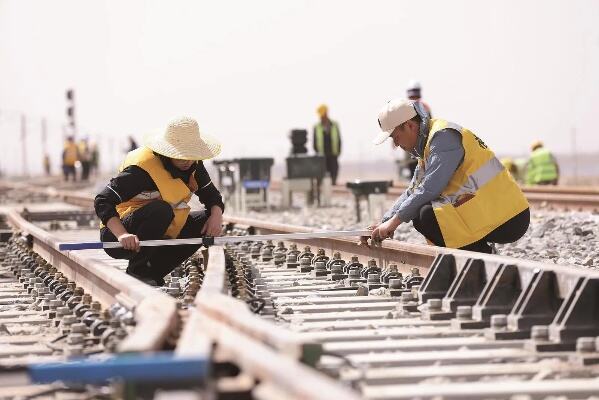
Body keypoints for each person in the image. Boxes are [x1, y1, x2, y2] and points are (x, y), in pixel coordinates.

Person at [362, 99, 530, 254]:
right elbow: (412, 191)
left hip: (507, 215)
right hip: (485, 209)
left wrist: (395, 222)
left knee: (427, 214)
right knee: (422, 214)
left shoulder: (443, 138)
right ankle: (475, 259)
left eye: (396, 137)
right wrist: (385, 222)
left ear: (410, 126)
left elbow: (429, 189)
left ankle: (481, 259)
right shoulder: (428, 146)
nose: (396, 144)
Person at [94, 117, 225, 285]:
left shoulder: (194, 166)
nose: (187, 161)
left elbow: (212, 196)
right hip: (118, 235)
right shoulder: (142, 169)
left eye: (190, 156)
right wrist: (122, 234)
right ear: (167, 152)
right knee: (161, 210)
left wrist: (216, 215)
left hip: (163, 228)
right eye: (180, 156)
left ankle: (153, 271)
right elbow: (102, 200)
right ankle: (137, 271)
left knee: (207, 218)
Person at [402, 80, 432, 179]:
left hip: (423, 151)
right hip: (412, 152)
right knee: (414, 178)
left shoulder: (425, 108)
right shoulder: (404, 108)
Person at [313, 104, 341, 185]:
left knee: (334, 169)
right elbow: (314, 141)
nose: (322, 117)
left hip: (333, 153)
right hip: (322, 154)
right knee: (322, 171)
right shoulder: (317, 127)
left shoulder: (334, 125)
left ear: (326, 113)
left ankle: (333, 183)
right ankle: (322, 185)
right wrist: (317, 152)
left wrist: (338, 151)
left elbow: (339, 139)